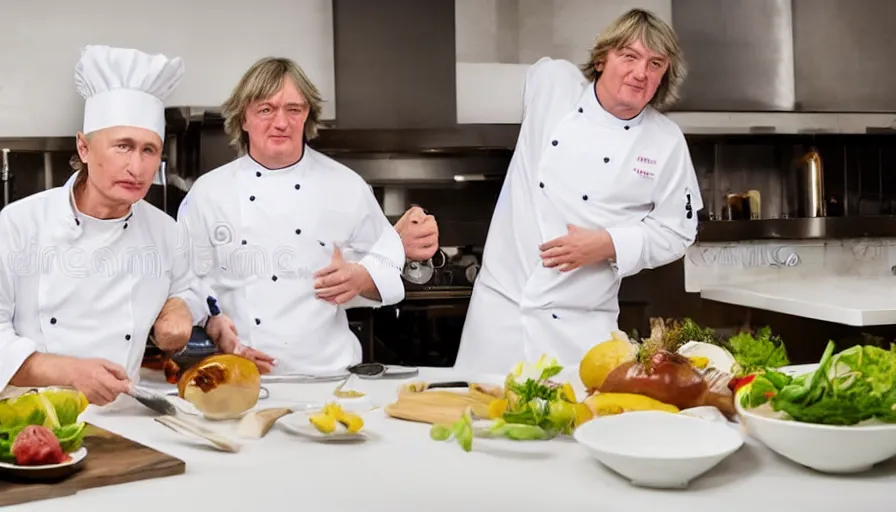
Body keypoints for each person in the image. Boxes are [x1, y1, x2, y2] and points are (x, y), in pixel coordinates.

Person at [454, 9, 703, 374]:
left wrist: (608, 243)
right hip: (500, 315)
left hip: (580, 328)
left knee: (577, 424)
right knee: (478, 421)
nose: (640, 73)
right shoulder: (554, 84)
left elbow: (678, 231)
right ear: (602, 58)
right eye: (629, 56)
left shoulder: (665, 141)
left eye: (655, 63)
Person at [0, 45, 234, 405]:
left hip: (125, 418)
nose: (137, 168)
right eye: (122, 147)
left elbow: (194, 287)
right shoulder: (18, 224)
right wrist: (72, 372)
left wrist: (180, 305)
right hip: (34, 421)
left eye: (148, 150)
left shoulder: (165, 232)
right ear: (84, 148)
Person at [179, 57, 421, 376]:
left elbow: (388, 268)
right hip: (239, 376)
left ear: (307, 116)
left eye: (294, 109)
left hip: (331, 376)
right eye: (266, 109)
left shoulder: (346, 185)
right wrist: (213, 326)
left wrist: (362, 277)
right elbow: (183, 285)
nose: (282, 123)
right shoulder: (208, 192)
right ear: (244, 118)